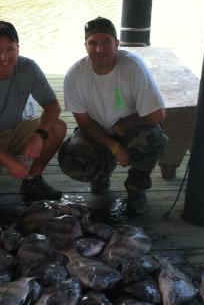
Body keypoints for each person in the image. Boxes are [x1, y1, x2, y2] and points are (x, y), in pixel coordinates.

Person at [58, 16, 168, 215]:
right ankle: (101, 174)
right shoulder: (74, 75)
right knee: (71, 158)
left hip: (130, 131)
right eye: (93, 43)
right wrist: (114, 147)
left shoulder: (133, 67)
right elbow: (84, 122)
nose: (99, 49)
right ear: (85, 46)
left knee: (153, 139)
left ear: (117, 44)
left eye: (106, 42)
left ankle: (136, 190)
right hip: (97, 130)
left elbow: (158, 115)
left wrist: (127, 122)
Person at [0, 20, 66, 202]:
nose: (4, 57)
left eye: (10, 49)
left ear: (18, 48)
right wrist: (8, 160)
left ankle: (33, 180)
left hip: (14, 129)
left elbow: (52, 105)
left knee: (58, 126)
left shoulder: (29, 68)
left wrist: (39, 134)